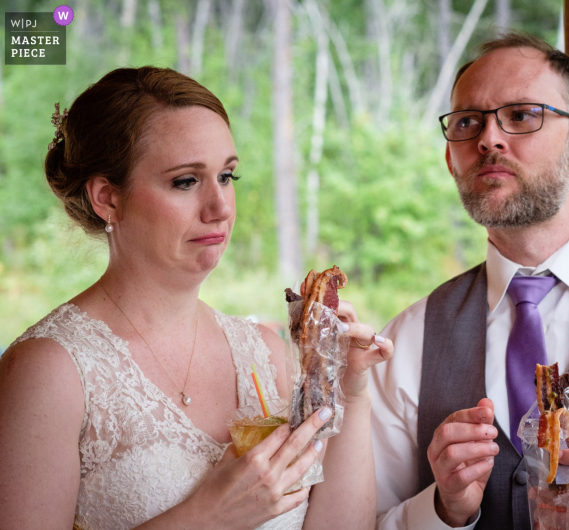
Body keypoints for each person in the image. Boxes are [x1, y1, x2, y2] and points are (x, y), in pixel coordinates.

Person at [0, 66, 393, 530]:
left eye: (227, 176)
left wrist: (351, 388)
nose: (220, 207)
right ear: (107, 197)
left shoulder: (264, 353)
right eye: (186, 181)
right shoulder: (51, 370)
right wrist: (206, 517)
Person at [370, 32, 569, 530]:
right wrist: (441, 511)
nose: (488, 138)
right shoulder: (408, 339)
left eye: (521, 115)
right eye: (467, 123)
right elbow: (360, 519)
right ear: (450, 158)